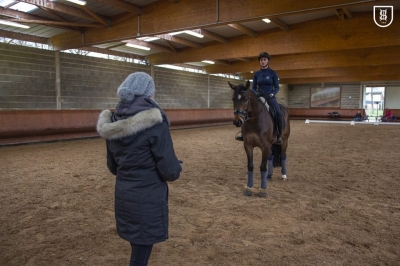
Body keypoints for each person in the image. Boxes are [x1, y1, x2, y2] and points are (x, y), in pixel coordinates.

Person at [96, 72, 182, 266]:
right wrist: (176, 166)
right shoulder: (155, 123)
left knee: (137, 243)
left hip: (124, 192)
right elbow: (170, 172)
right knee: (141, 252)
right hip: (148, 194)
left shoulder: (113, 122)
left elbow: (113, 166)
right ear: (147, 94)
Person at [236, 52, 283, 144]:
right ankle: (243, 134)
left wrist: (272, 94)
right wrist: (256, 93)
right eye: (261, 60)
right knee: (247, 110)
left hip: (270, 97)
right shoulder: (256, 74)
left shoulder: (273, 73)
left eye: (264, 60)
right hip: (259, 97)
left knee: (278, 113)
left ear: (268, 61)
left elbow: (277, 87)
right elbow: (253, 87)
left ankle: (279, 134)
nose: (263, 61)